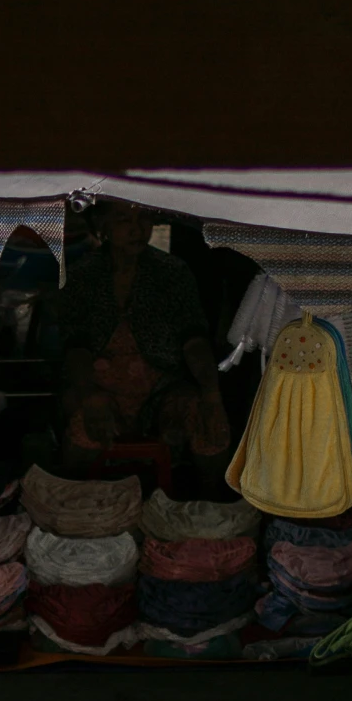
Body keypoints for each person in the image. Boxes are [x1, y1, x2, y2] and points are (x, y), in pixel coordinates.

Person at [56, 202, 230, 487]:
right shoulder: (82, 275)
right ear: (102, 225)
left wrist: (211, 394)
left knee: (207, 421)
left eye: (144, 218)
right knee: (83, 423)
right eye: (123, 218)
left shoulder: (173, 272)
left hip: (161, 391)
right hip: (99, 388)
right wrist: (88, 393)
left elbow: (194, 340)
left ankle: (212, 509)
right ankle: (74, 507)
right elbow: (76, 346)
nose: (136, 229)